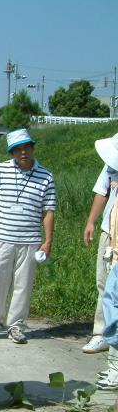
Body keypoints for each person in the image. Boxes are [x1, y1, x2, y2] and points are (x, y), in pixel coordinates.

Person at [0, 129, 56, 344]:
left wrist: (47, 241)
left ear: (32, 147)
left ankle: (17, 326)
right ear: (11, 152)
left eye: (26, 147)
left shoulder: (46, 175)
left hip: (30, 240)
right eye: (18, 149)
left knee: (23, 285)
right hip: (2, 237)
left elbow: (48, 211)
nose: (23, 152)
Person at [82, 132, 118, 354]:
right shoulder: (111, 163)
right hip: (109, 231)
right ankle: (102, 333)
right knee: (104, 282)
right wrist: (91, 221)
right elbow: (101, 191)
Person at [92, 133, 118, 390]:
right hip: (111, 240)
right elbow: (101, 192)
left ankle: (115, 369)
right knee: (108, 293)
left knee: (115, 301)